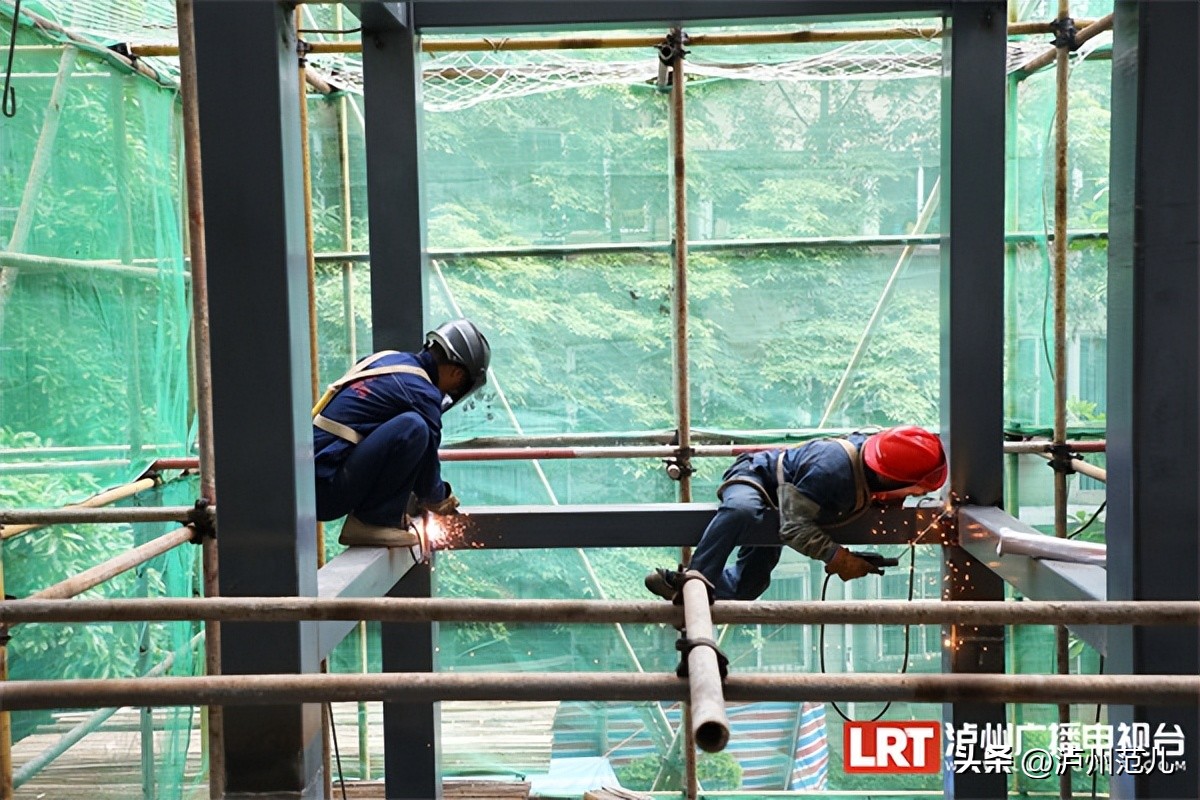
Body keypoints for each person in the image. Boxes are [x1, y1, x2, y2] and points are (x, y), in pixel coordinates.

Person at [645, 426, 947, 601]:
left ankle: (672, 583)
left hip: (789, 501)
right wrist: (839, 558)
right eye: (912, 491)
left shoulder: (877, 460)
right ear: (891, 479)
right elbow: (793, 528)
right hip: (757, 477)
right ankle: (695, 581)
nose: (912, 497)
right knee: (742, 511)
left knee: (748, 585)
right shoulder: (832, 472)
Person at [312, 319, 491, 547]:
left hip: (305, 485)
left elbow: (384, 448)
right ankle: (373, 521)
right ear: (457, 374)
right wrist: (440, 497)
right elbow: (427, 472)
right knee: (414, 427)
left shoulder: (386, 360)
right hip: (326, 493)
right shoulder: (423, 394)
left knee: (410, 427)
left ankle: (384, 515)